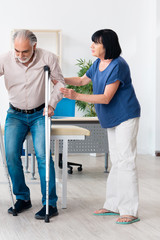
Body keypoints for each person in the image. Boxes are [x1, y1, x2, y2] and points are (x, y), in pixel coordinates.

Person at [0, 29, 65, 219]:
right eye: (17, 51)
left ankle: (50, 203)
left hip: (40, 113)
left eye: (25, 51)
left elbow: (60, 83)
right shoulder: (5, 59)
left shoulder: (48, 58)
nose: (20, 56)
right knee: (10, 154)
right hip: (15, 114)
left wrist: (52, 104)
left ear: (34, 46)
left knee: (43, 156)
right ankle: (22, 198)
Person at [60, 29, 141, 225]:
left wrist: (75, 96)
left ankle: (129, 210)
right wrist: (58, 79)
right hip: (111, 118)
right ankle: (113, 205)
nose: (92, 46)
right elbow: (81, 81)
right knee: (116, 161)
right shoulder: (98, 63)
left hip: (125, 116)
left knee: (125, 161)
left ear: (108, 45)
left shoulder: (118, 65)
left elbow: (105, 97)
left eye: (96, 43)